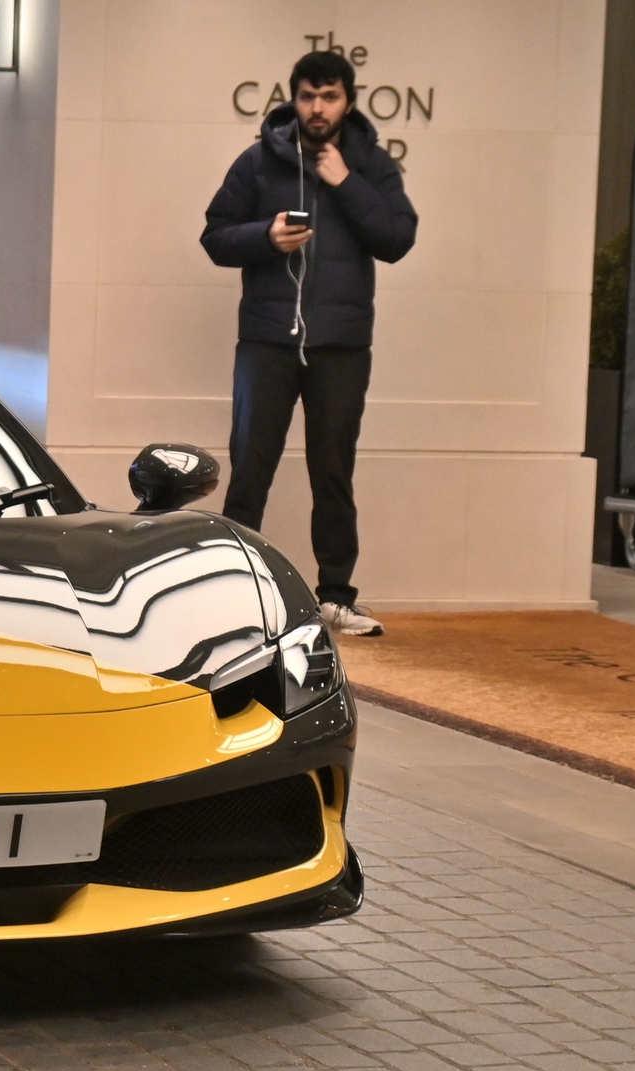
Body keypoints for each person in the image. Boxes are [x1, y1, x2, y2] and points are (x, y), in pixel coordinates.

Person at [201, 49, 417, 637]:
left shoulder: (369, 165)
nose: (317, 108)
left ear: (348, 100)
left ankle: (336, 598)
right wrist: (266, 237)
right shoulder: (258, 162)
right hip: (268, 340)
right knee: (250, 470)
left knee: (333, 471)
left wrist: (346, 184)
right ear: (294, 97)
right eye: (307, 96)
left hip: (341, 346)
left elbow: (397, 238)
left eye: (329, 97)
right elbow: (215, 236)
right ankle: (235, 598)